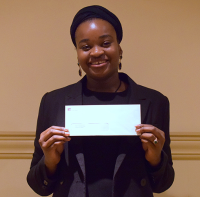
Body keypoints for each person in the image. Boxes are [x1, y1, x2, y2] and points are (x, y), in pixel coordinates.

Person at [27, 5, 174, 197]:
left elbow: (162, 185)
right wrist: (50, 162)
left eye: (105, 43)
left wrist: (156, 158)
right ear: (77, 53)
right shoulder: (53, 102)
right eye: (86, 46)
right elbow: (39, 187)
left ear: (119, 48)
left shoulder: (154, 101)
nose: (96, 52)